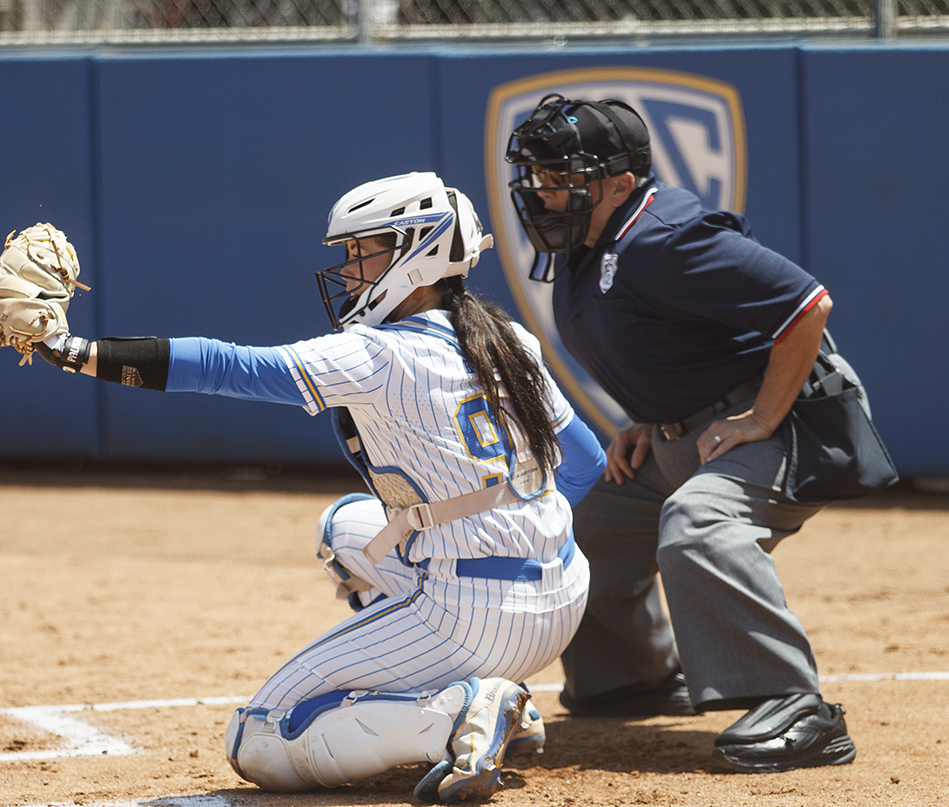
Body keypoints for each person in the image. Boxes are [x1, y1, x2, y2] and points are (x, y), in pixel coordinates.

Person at [33, 172, 607, 800]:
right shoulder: (510, 338)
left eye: (369, 251)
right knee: (344, 529)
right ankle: (500, 708)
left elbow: (229, 366)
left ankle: (454, 712)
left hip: (473, 616)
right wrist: (519, 530)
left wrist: (71, 349)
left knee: (258, 738)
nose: (354, 268)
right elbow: (584, 463)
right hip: (564, 592)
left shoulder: (380, 353)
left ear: (422, 253)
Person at [503, 94, 867, 773]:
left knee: (697, 522)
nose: (545, 194)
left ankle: (796, 705)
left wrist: (760, 415)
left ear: (619, 183)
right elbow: (675, 341)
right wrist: (644, 419)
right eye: (540, 179)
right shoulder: (594, 243)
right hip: (685, 435)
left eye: (563, 180)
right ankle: (629, 675)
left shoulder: (664, 235)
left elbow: (805, 303)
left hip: (789, 422)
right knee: (580, 522)